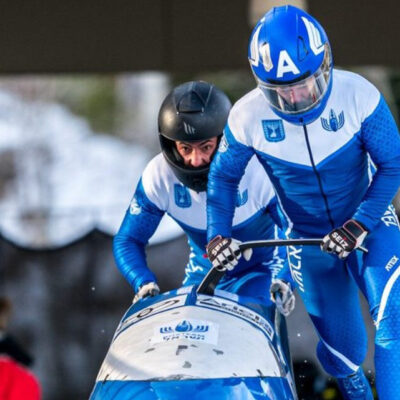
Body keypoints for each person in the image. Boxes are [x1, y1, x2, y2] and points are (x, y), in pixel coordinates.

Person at [205, 5, 400, 400]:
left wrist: (360, 223)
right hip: (309, 241)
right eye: (280, 91)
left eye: (306, 84)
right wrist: (217, 235)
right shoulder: (246, 117)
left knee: (393, 323)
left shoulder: (359, 95)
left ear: (326, 65)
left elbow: (393, 164)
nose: (295, 98)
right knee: (345, 355)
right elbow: (223, 178)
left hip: (370, 226)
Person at [113, 80, 294, 316]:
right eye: (185, 149)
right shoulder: (159, 177)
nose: (196, 161)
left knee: (252, 317)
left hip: (262, 272)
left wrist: (284, 278)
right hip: (204, 274)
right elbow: (128, 239)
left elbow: (295, 231)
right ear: (171, 146)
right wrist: (143, 282)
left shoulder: (257, 170)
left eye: (206, 147)